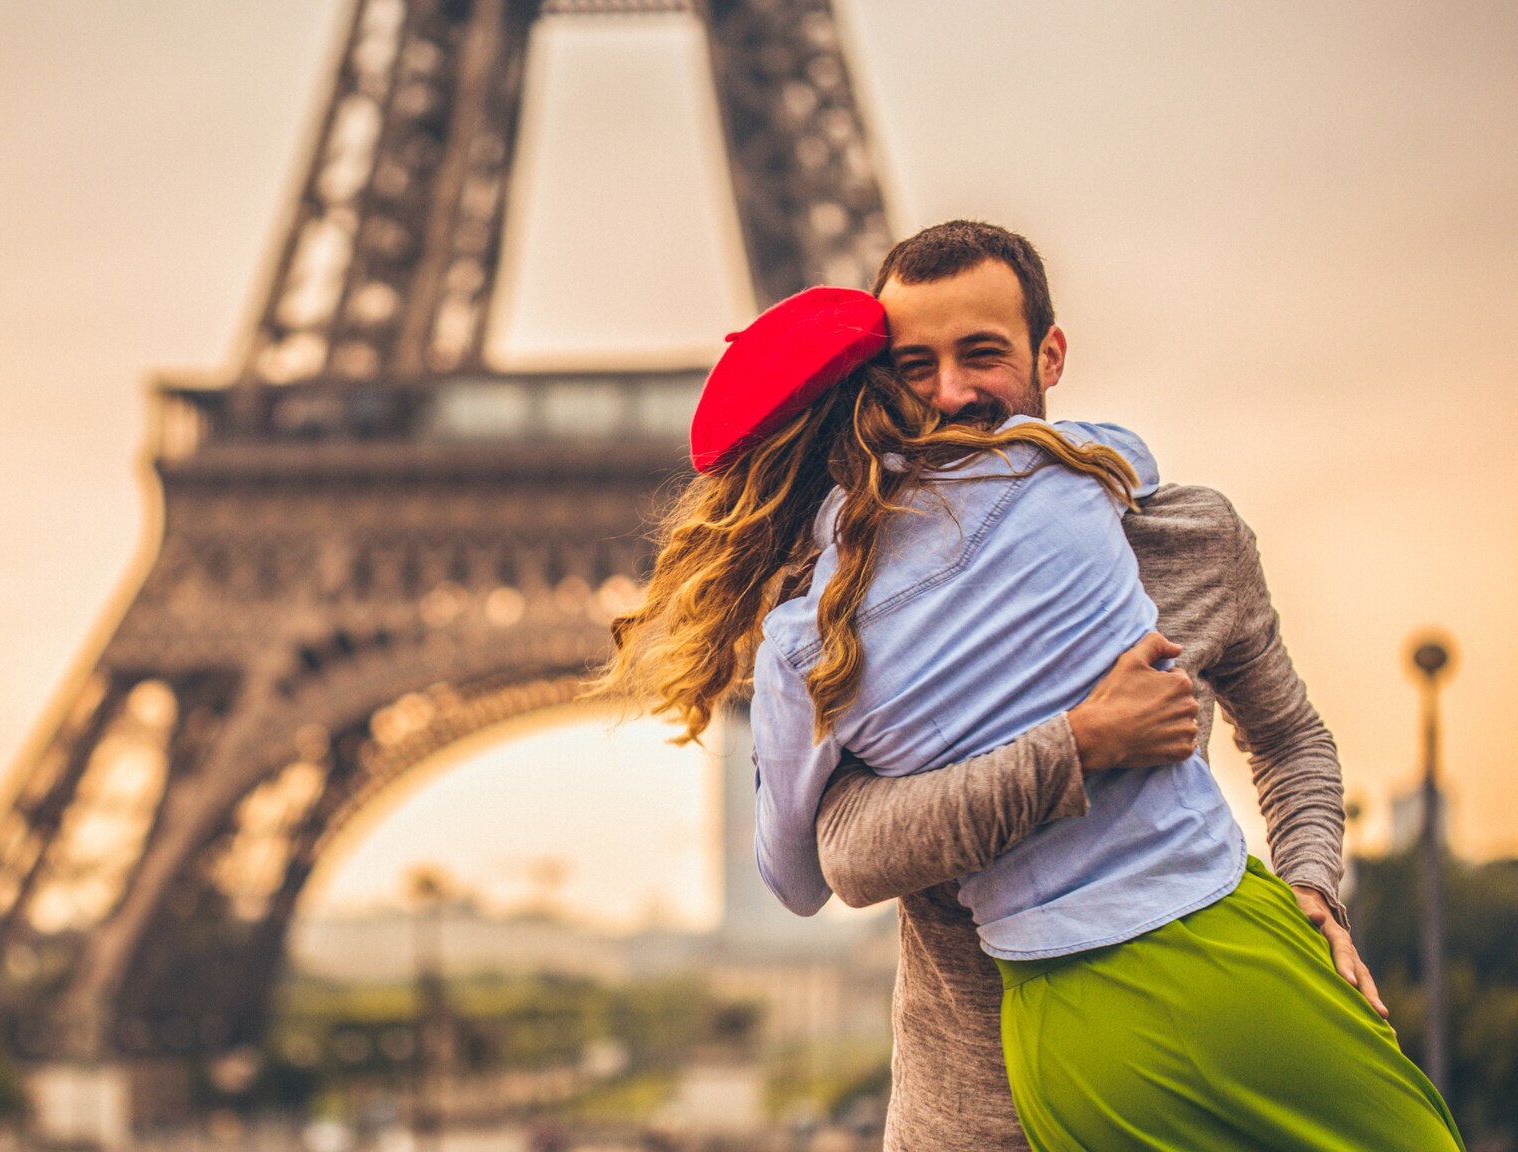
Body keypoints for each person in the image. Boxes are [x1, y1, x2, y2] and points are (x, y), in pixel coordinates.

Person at [592, 221, 1463, 1150]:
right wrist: (1082, 744)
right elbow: (846, 852)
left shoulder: (1193, 540)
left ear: (1049, 353)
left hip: (1196, 1026)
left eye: (982, 355)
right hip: (974, 1118)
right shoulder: (857, 612)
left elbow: (1291, 741)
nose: (952, 393)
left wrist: (1313, 886)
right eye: (914, 366)